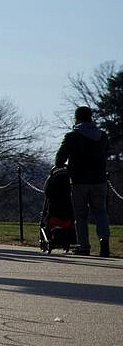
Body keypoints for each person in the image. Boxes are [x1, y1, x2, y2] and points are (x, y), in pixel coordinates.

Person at [55, 106, 112, 257]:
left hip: (79, 180)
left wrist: (65, 165)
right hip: (100, 180)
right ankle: (104, 240)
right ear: (91, 118)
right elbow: (107, 151)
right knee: (101, 212)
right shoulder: (102, 136)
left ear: (77, 118)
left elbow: (59, 159)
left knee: (80, 215)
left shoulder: (72, 136)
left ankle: (84, 246)